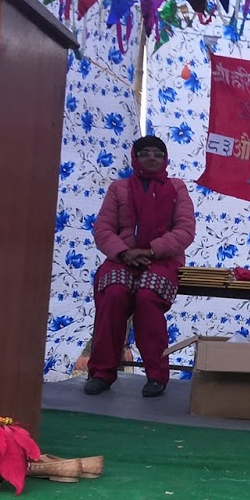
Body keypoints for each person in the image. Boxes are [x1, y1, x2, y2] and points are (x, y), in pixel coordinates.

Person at [86, 135, 196, 398]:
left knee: (147, 297)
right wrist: (124, 253)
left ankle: (156, 375)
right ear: (135, 158)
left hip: (162, 260)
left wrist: (151, 250)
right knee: (114, 294)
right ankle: (101, 373)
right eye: (145, 153)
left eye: (158, 153)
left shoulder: (177, 188)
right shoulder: (119, 188)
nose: (151, 158)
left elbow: (185, 230)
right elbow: (103, 228)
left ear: (165, 159)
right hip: (122, 258)